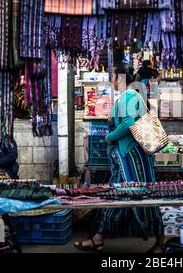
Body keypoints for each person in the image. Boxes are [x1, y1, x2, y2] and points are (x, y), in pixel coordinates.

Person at [74, 63, 165, 253]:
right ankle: (99, 238)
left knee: (141, 197)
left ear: (120, 78)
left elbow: (128, 123)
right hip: (127, 158)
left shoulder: (129, 96)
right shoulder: (130, 95)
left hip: (131, 159)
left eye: (112, 76)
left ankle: (160, 242)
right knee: (118, 198)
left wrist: (109, 137)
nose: (111, 80)